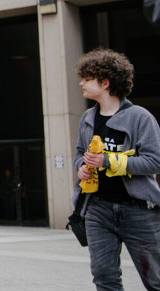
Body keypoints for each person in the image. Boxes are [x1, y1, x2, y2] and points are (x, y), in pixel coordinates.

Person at [73, 48, 160, 290]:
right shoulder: (88, 117)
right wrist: (81, 167)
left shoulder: (140, 117)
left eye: (87, 78)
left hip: (138, 212)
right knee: (104, 278)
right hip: (98, 210)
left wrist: (108, 162)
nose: (81, 83)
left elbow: (155, 161)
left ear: (105, 82)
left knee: (155, 279)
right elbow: (80, 153)